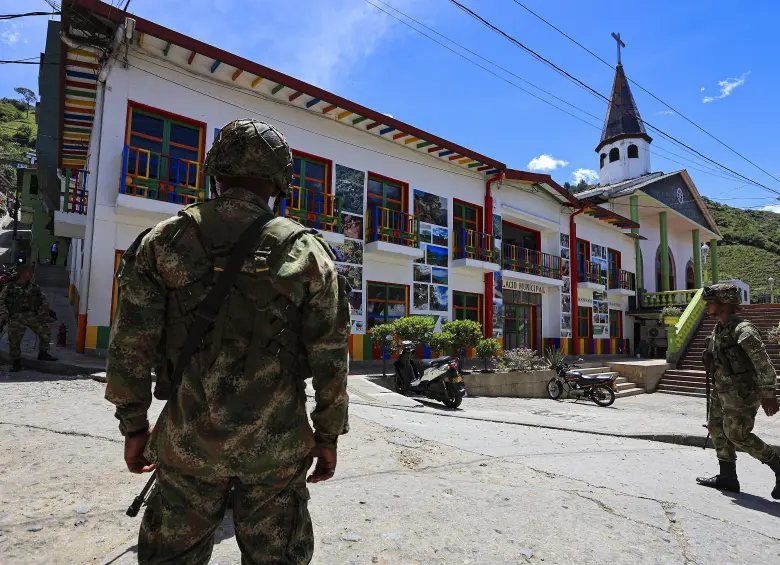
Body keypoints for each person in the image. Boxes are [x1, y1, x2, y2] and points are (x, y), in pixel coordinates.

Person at [105, 119, 351, 564]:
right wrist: (328, 435)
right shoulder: (308, 252)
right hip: (276, 452)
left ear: (214, 172)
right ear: (280, 180)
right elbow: (331, 358)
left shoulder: (165, 240)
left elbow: (130, 346)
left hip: (187, 445)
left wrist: (134, 426)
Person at [696, 283, 780, 499]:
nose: (707, 307)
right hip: (722, 390)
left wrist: (769, 394)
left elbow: (763, 363)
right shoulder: (720, 328)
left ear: (723, 304)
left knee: (737, 435)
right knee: (716, 428)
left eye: (710, 302)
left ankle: (777, 465)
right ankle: (727, 477)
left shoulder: (744, 330)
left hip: (742, 393)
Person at [0, 264, 58, 372]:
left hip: (31, 315)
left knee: (45, 332)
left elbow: (42, 299)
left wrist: (49, 311)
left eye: (31, 272)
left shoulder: (34, 287)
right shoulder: (10, 286)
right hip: (16, 316)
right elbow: (1, 301)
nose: (31, 274)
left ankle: (43, 353)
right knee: (14, 340)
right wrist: (4, 315)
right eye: (28, 272)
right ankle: (16, 362)